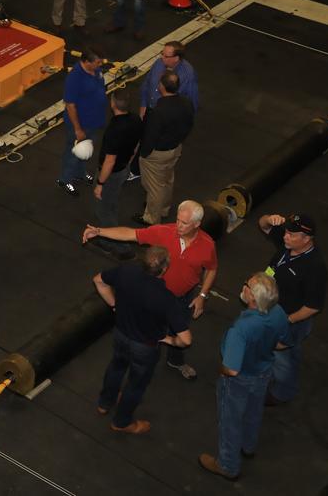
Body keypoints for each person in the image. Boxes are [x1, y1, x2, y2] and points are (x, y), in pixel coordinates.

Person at [83, 200, 218, 380]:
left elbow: (212, 268)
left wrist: (202, 295)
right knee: (148, 334)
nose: (178, 225)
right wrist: (99, 231)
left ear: (197, 224)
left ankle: (175, 361)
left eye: (184, 223)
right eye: (178, 220)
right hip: (156, 297)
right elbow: (131, 234)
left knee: (179, 330)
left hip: (182, 298)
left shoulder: (207, 245)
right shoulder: (164, 232)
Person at [199, 273, 289, 481]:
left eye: (246, 285)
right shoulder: (278, 313)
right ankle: (248, 446)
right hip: (263, 372)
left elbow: (232, 369)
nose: (243, 286)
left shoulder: (241, 329)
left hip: (239, 380)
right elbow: (283, 343)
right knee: (254, 410)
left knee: (230, 420)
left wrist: (222, 371)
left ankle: (227, 465)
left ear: (252, 298)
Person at [93, 245, 192, 435]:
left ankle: (105, 403)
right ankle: (121, 422)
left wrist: (114, 305)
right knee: (136, 384)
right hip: (145, 347)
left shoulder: (125, 272)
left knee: (117, 365)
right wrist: (170, 341)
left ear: (143, 261)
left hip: (121, 334)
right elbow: (186, 340)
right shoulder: (165, 298)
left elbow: (98, 281)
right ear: (164, 269)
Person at [258, 213, 327, 405]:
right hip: (272, 310)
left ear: (307, 239)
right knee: (274, 350)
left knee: (284, 357)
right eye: (286, 232)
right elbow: (263, 225)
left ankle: (282, 392)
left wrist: (287, 321)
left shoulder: (315, 268)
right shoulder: (288, 243)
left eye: (291, 235)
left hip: (290, 321)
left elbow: (313, 307)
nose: (285, 236)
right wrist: (269, 218)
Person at [135, 70, 194, 224]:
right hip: (175, 149)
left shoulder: (159, 111)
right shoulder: (186, 103)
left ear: (161, 86)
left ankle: (151, 219)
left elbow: (150, 136)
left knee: (154, 187)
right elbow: (189, 124)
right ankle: (163, 208)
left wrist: (144, 153)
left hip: (157, 153)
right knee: (167, 180)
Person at [91, 93, 142, 255]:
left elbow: (109, 161)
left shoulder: (115, 129)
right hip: (123, 169)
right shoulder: (136, 120)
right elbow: (136, 145)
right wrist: (128, 161)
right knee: (111, 202)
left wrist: (100, 183)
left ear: (113, 105)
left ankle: (115, 243)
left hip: (111, 174)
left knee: (104, 209)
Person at [58, 47, 107, 196]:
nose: (100, 64)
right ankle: (65, 179)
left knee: (86, 151)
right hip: (81, 124)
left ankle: (80, 173)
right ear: (86, 62)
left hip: (94, 121)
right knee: (74, 153)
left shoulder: (96, 71)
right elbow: (70, 105)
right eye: (97, 62)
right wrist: (78, 129)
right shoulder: (75, 78)